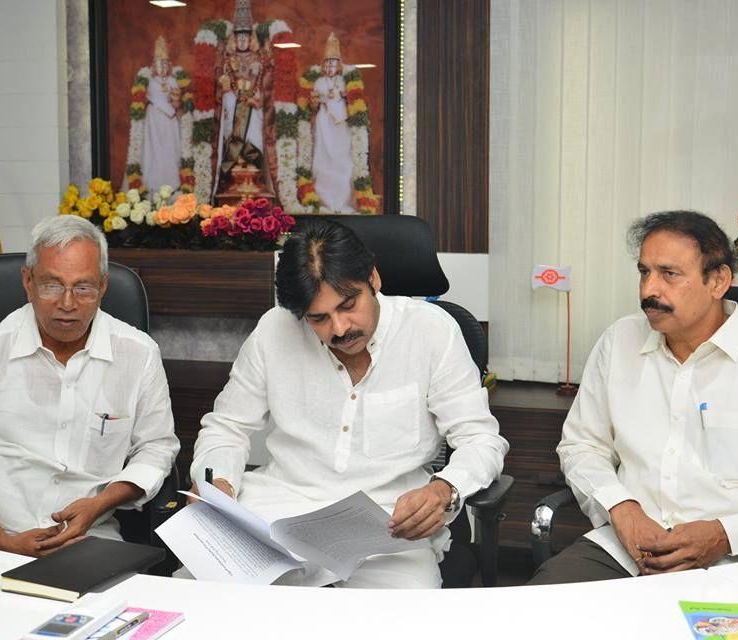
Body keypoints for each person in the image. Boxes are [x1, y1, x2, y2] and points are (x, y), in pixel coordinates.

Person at [529, 210, 738, 585]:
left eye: (669, 274)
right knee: (532, 614)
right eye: (644, 272)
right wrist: (622, 508)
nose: (648, 291)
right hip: (623, 552)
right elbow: (581, 445)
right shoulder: (618, 342)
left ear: (719, 281)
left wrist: (727, 533)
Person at [190, 219, 508, 588]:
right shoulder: (274, 329)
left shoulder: (431, 331)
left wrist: (444, 488)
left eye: (348, 305)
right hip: (279, 514)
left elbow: (480, 439)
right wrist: (219, 483)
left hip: (387, 527)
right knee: (202, 604)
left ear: (373, 279)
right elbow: (226, 427)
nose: (339, 329)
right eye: (318, 317)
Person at [0, 215, 179, 556]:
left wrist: (98, 505)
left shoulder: (139, 354)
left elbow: (156, 449)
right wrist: (4, 543)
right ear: (28, 282)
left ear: (102, 287)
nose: (67, 303)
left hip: (86, 538)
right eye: (52, 285)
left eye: (83, 287)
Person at [212, 0, 273, 202]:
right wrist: (228, 89)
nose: (243, 41)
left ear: (251, 38)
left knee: (254, 135)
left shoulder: (259, 59)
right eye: (240, 37)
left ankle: (254, 170)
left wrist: (257, 98)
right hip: (234, 103)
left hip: (252, 107)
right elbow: (223, 86)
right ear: (234, 39)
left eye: (246, 37)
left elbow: (266, 87)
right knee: (233, 134)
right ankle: (231, 173)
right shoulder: (228, 60)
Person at [309, 33, 355, 212]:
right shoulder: (319, 81)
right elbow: (313, 105)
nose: (329, 67)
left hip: (340, 124)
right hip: (323, 122)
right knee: (323, 160)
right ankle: (324, 202)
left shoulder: (345, 81)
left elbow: (352, 102)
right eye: (327, 63)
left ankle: (342, 202)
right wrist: (316, 100)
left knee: (342, 160)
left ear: (338, 65)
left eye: (333, 63)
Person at [140, 35, 182, 193]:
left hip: (169, 122)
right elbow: (154, 97)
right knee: (155, 150)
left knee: (169, 149)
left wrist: (176, 101)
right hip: (155, 120)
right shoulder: (149, 81)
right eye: (160, 64)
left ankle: (171, 184)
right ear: (154, 66)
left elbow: (177, 102)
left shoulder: (172, 80)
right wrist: (170, 110)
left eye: (165, 64)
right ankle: (154, 185)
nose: (163, 67)